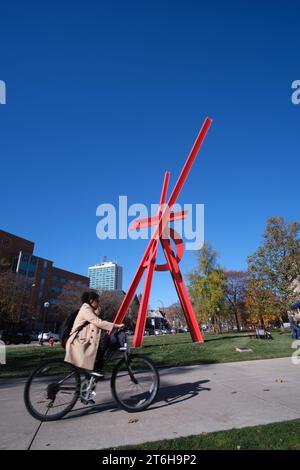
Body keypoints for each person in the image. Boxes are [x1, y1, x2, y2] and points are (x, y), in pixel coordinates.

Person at [64, 291, 125, 374]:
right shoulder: (85, 309)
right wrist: (117, 326)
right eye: (97, 301)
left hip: (83, 338)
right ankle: (97, 365)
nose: (98, 303)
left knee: (105, 339)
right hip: (78, 341)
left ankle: (96, 367)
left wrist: (98, 310)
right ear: (91, 301)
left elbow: (97, 320)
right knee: (104, 338)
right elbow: (98, 322)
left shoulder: (89, 309)